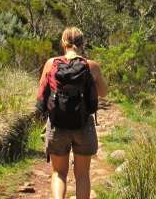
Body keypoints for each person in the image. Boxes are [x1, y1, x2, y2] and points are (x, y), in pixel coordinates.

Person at [36, 27, 108, 199]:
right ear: (82, 44)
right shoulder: (91, 66)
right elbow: (104, 92)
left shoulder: (51, 63)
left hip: (57, 125)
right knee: (82, 175)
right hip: (83, 125)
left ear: (63, 43)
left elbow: (40, 93)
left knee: (59, 173)